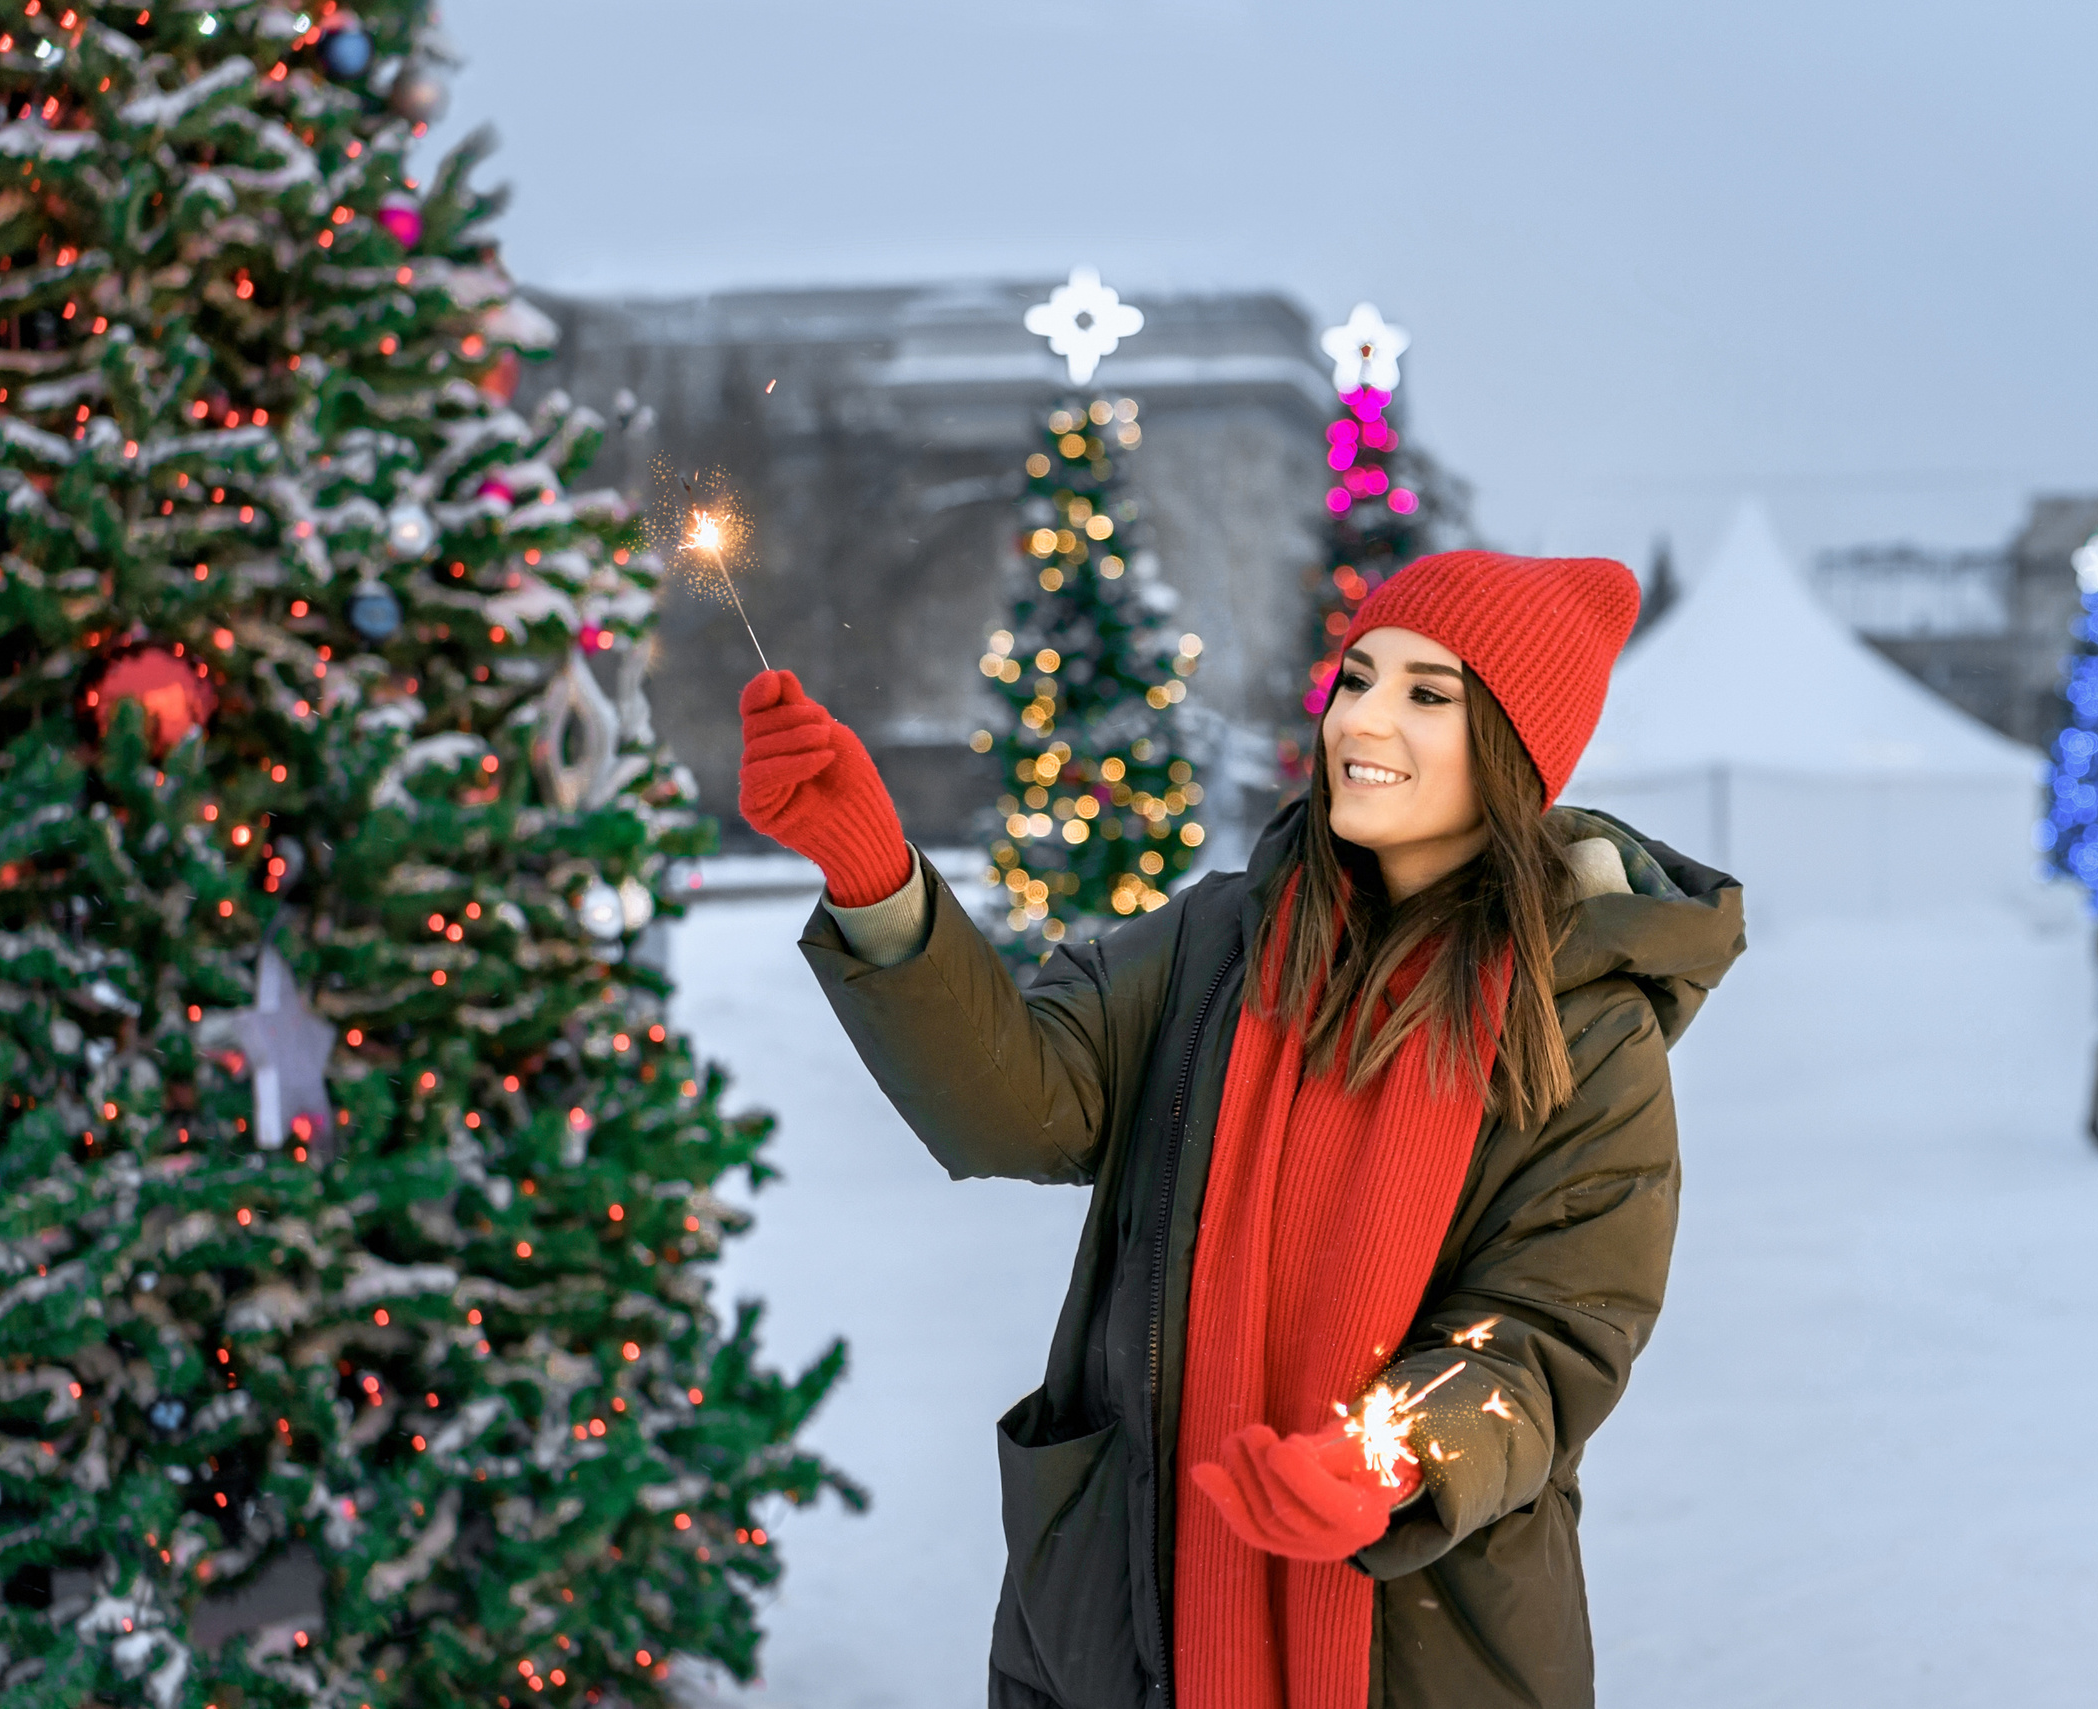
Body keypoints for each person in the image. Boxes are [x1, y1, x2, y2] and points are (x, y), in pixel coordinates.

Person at [739, 551, 1745, 1708]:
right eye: (1356, 677)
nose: (1360, 718)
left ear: (1515, 751)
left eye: (1428, 693)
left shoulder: (1585, 1025)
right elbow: (1015, 1105)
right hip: (1133, 1613)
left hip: (1423, 1639)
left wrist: (1395, 1454)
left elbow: (1551, 1326)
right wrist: (873, 874)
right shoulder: (1216, 940)